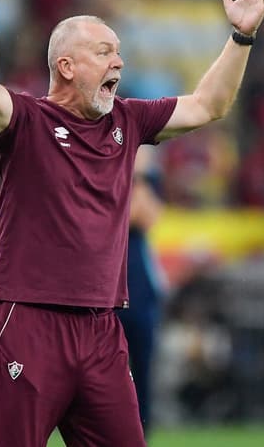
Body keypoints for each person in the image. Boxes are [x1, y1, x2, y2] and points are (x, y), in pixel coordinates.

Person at [0, 0, 264, 447]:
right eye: (105, 52)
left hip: (101, 326)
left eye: (119, 52)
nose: (119, 61)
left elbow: (208, 105)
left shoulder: (128, 121)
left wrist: (241, 36)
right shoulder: (27, 121)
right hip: (30, 316)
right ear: (65, 66)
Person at [116, 147, 165, 435]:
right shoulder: (110, 175)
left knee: (143, 369)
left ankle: (141, 434)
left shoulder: (146, 182)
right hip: (112, 292)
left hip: (141, 291)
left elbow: (145, 216)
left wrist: (138, 178)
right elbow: (123, 215)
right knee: (110, 370)